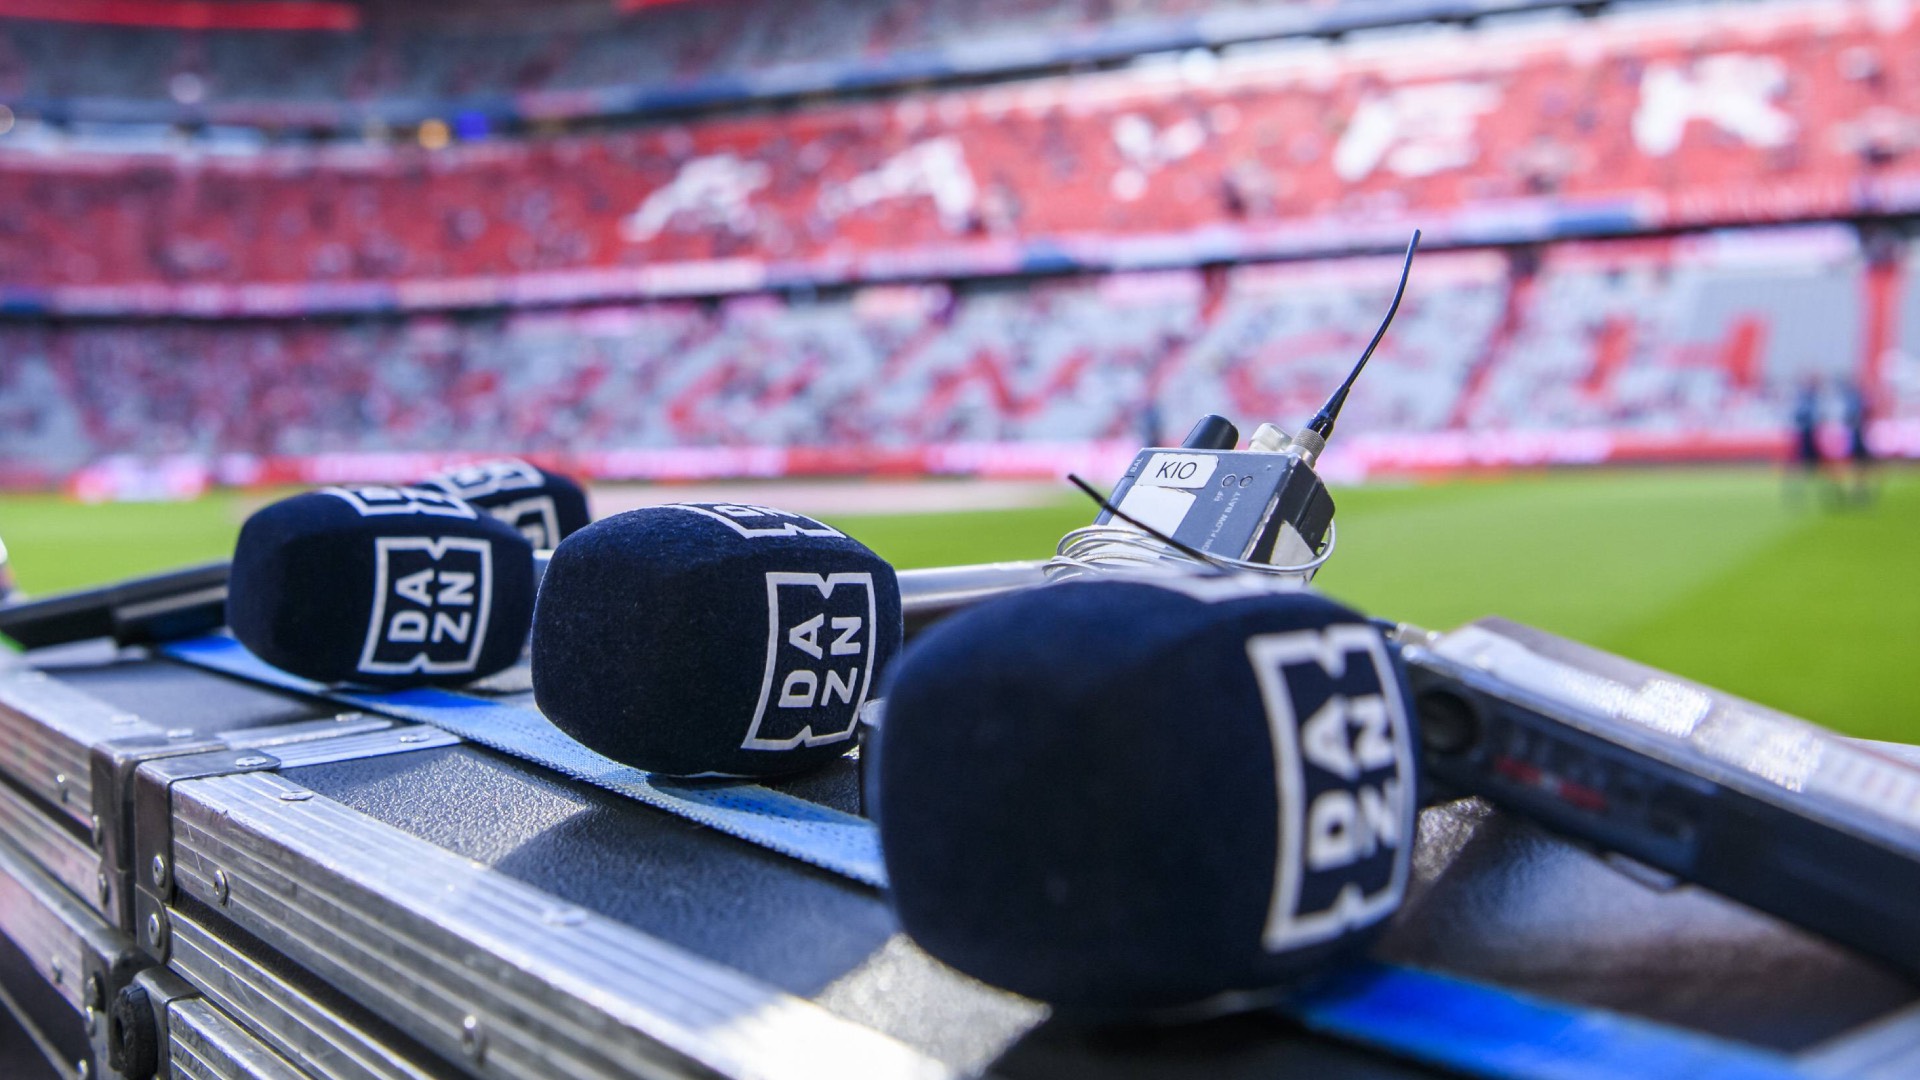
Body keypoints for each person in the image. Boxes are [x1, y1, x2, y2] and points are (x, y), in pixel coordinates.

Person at [1839, 379, 1878, 506]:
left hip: (1859, 436)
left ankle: (1858, 488)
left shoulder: (1855, 400)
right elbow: (1850, 418)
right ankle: (1857, 489)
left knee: (1861, 465)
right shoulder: (1853, 400)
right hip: (1856, 437)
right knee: (1859, 464)